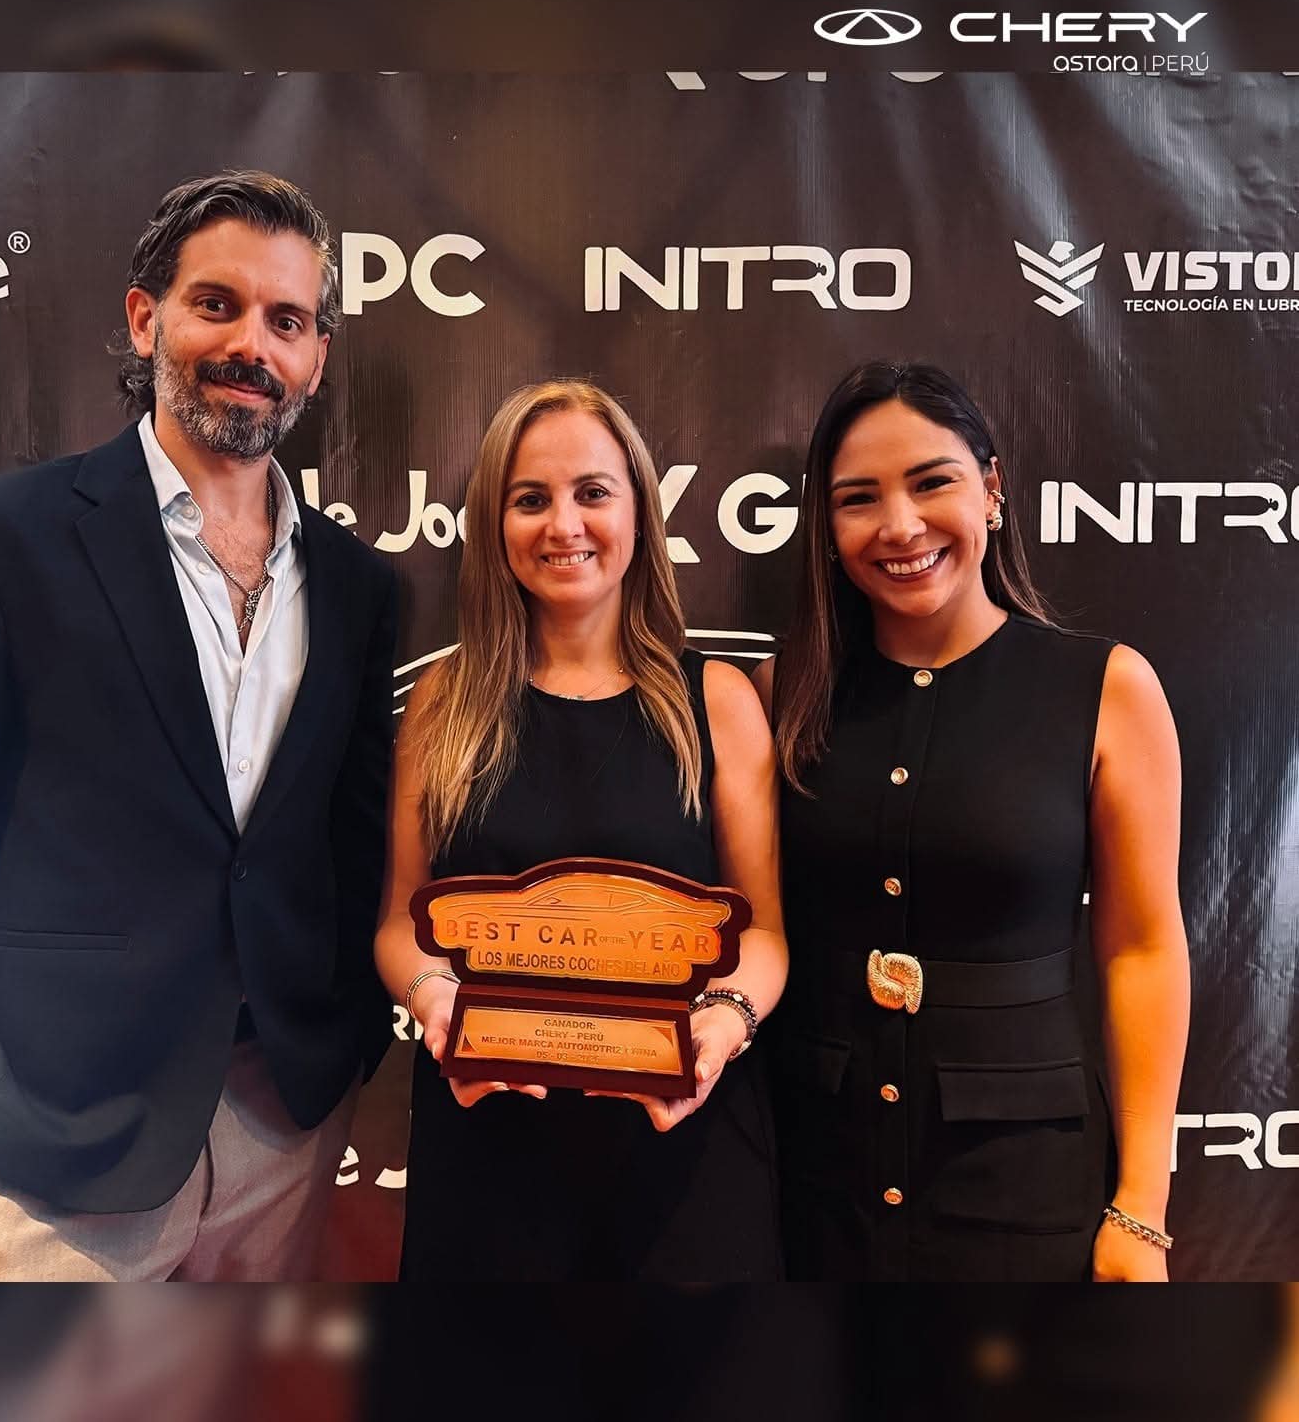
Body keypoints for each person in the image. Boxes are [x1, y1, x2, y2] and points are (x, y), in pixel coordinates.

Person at [0, 170, 398, 1280]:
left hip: (279, 1131)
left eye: (287, 320)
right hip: (45, 1147)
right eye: (217, 304)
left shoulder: (356, 585)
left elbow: (349, 841)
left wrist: (341, 1048)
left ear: (318, 356)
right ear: (147, 318)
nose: (252, 345)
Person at [754, 360, 1189, 1281]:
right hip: (811, 1182)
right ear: (826, 527)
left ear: (991, 491)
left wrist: (1141, 1212)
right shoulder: (778, 695)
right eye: (858, 498)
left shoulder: (1106, 689)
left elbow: (1143, 951)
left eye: (932, 482)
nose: (900, 526)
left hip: (1025, 1186)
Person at [373, 379, 787, 1279]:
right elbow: (402, 920)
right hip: (488, 1150)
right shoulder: (444, 702)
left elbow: (762, 934)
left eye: (592, 492)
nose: (563, 525)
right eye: (530, 499)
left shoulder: (716, 701)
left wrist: (721, 1025)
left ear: (638, 510)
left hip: (683, 1153)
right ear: (494, 525)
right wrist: (437, 1003)